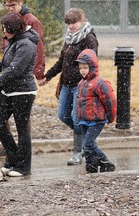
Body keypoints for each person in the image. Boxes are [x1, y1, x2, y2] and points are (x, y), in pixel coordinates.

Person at [0, 0, 46, 157]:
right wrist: (0, 64)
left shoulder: (31, 22)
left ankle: (22, 154)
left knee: (22, 124)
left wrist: (38, 72)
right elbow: (9, 48)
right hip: (7, 80)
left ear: (21, 2)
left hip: (20, 83)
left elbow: (37, 49)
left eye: (13, 5)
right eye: (7, 5)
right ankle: (10, 149)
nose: (10, 8)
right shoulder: (9, 22)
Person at [0, 12, 38, 177]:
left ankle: (23, 167)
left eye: (6, 29)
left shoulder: (26, 44)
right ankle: (13, 159)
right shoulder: (13, 42)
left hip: (23, 92)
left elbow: (16, 69)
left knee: (22, 129)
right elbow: (9, 66)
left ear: (14, 28)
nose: (3, 32)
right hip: (8, 90)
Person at [40, 8, 98, 165]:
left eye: (74, 22)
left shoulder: (89, 38)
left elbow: (92, 63)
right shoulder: (69, 38)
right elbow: (61, 61)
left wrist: (87, 82)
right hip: (66, 84)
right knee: (62, 115)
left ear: (81, 20)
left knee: (76, 118)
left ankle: (78, 152)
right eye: (68, 23)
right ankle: (88, 140)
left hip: (81, 85)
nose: (71, 26)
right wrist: (48, 76)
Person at [75, 49, 116, 173]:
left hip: (97, 120)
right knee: (85, 146)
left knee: (88, 144)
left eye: (85, 68)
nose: (82, 71)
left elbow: (110, 101)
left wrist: (111, 116)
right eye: (80, 68)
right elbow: (80, 103)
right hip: (84, 120)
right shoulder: (81, 83)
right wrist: (78, 117)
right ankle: (91, 166)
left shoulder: (100, 83)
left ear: (92, 67)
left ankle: (104, 160)